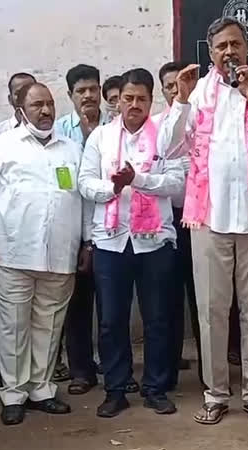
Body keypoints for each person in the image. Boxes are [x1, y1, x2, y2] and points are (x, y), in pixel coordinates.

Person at [159, 17, 248, 425]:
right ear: (211, 52)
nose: (229, 52)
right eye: (221, 46)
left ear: (247, 49)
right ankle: (216, 393)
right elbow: (167, 149)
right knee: (211, 309)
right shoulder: (197, 92)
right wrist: (181, 101)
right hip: (208, 218)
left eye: (235, 44)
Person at [0, 82, 87, 426]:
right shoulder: (1, 147)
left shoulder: (70, 149)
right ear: (20, 108)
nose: (46, 110)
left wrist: (87, 242)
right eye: (37, 104)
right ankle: (13, 393)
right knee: (13, 327)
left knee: (49, 326)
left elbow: (82, 199)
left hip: (60, 253)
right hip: (12, 254)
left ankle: (42, 389)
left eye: (49, 104)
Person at [79, 68, 183, 418]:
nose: (134, 104)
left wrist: (138, 179)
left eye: (141, 98)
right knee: (110, 320)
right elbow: (84, 182)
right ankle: (116, 389)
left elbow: (178, 184)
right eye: (128, 98)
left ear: (151, 101)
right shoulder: (101, 138)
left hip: (154, 242)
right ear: (117, 101)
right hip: (111, 241)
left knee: (157, 318)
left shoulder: (166, 136)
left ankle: (155, 387)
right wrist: (114, 188)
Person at [54, 64, 110, 394]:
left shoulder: (117, 127)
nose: (88, 95)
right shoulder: (60, 133)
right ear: (70, 95)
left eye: (93, 88)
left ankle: (116, 369)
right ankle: (80, 371)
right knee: (76, 307)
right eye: (81, 91)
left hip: (110, 229)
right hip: (73, 231)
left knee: (110, 307)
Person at [156, 60, 200, 389]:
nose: (176, 90)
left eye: (182, 83)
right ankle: (168, 370)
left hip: (201, 220)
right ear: (162, 90)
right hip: (167, 221)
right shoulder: (157, 126)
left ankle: (211, 370)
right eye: (170, 86)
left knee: (204, 299)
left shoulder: (204, 121)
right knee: (168, 299)